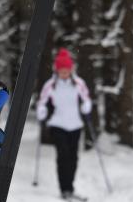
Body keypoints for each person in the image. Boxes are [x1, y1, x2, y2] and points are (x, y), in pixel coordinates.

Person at [37, 48, 92, 201]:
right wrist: (42, 110)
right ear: (57, 70)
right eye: (61, 71)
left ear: (71, 69)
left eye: (66, 70)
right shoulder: (51, 85)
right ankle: (64, 190)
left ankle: (70, 188)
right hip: (58, 124)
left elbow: (86, 99)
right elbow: (42, 101)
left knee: (73, 158)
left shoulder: (79, 83)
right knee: (63, 155)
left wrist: (86, 107)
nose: (64, 73)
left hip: (75, 125)